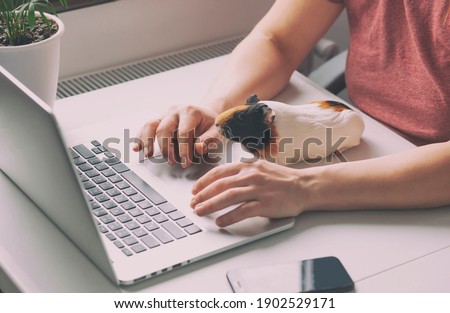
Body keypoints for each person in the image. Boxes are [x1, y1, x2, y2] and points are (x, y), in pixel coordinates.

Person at [133, 0, 450, 227]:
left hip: (428, 187)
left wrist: (305, 187)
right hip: (366, 149)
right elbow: (279, 40)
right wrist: (218, 108)